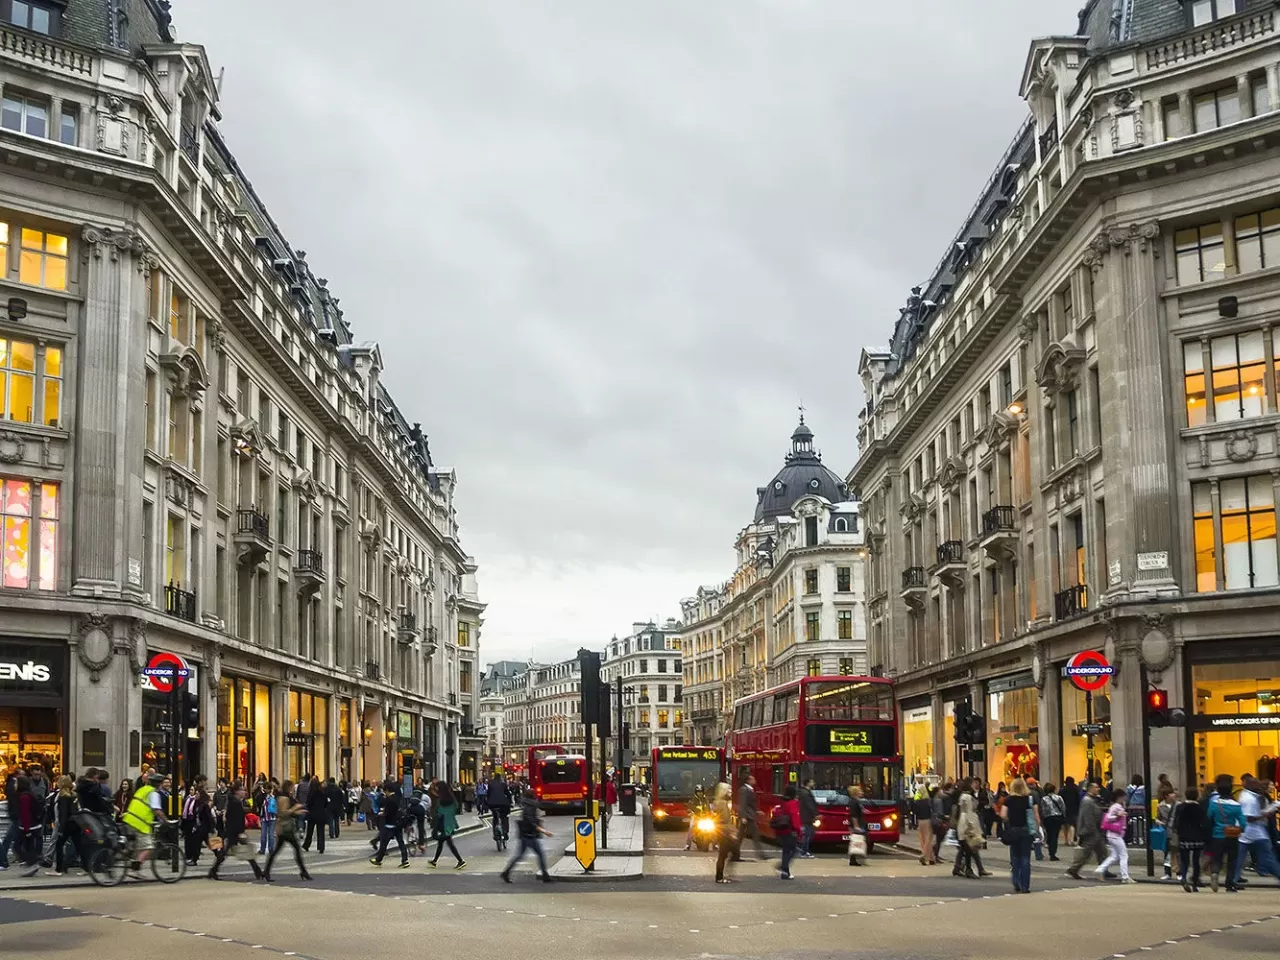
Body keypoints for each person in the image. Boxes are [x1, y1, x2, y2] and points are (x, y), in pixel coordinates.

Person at [208, 781, 263, 880]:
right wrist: (241, 831)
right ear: (237, 791)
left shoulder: (234, 801)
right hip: (234, 832)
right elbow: (236, 819)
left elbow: (230, 816)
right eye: (242, 790)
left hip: (233, 831)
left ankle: (258, 871)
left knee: (240, 851)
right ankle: (213, 870)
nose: (244, 792)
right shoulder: (235, 802)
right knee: (232, 852)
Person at [500, 787, 553, 883]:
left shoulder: (529, 805)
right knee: (539, 854)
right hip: (529, 835)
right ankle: (545, 876)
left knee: (520, 856)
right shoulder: (529, 807)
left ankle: (506, 872)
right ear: (532, 795)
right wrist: (543, 831)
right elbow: (530, 821)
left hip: (526, 834)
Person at [263, 780, 312, 882]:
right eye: (292, 787)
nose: (293, 789)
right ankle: (303, 871)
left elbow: (286, 813)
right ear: (289, 787)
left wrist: (298, 812)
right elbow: (283, 813)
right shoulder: (284, 798)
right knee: (296, 849)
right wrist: (295, 808)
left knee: (277, 851)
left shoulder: (282, 797)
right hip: (286, 828)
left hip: (283, 827)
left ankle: (266, 871)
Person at [1237, 775, 1280, 887]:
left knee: (1240, 857)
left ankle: (1234, 878)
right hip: (1253, 830)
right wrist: (1265, 813)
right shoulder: (1249, 799)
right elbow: (1249, 817)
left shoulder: (1250, 796)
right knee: (1268, 855)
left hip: (1248, 832)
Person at [121, 772, 166, 870]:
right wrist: (166, 820)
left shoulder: (142, 789)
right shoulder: (153, 793)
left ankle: (129, 858)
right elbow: (156, 810)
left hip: (129, 819)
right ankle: (136, 866)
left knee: (136, 845)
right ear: (160, 784)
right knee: (149, 847)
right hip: (140, 823)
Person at [1066, 780, 1109, 879]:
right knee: (1086, 853)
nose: (1098, 789)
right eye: (1096, 787)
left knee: (1102, 851)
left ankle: (1104, 869)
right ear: (1091, 789)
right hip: (1091, 831)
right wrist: (1091, 830)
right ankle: (1073, 869)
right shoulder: (1087, 801)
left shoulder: (1093, 800)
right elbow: (1087, 817)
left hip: (1095, 831)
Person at [1000, 777, 1034, 893]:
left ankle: (1016, 882)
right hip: (1026, 830)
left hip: (1014, 830)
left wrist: (1009, 822)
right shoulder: (1029, 799)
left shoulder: (1008, 800)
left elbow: (1003, 815)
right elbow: (1035, 815)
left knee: (1015, 857)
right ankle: (1025, 886)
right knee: (1025, 858)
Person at [1096, 788, 1134, 883]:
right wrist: (1118, 816)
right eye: (1123, 797)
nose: (1124, 798)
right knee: (1124, 855)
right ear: (1119, 797)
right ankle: (1125, 877)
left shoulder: (1116, 806)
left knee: (1114, 856)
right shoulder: (1116, 807)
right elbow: (1108, 818)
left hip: (1113, 834)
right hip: (1115, 835)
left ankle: (1100, 869)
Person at [953, 781, 989, 879]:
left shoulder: (962, 796)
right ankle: (968, 869)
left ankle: (960, 868)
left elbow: (959, 810)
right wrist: (973, 828)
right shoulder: (968, 797)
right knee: (969, 849)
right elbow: (969, 811)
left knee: (965, 849)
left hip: (962, 822)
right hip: (967, 824)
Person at [427, 781, 467, 869]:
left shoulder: (440, 800)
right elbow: (456, 807)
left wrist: (434, 823)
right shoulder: (451, 797)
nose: (436, 789)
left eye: (437, 788)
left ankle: (460, 861)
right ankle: (434, 861)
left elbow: (438, 814)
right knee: (442, 843)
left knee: (449, 844)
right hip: (450, 823)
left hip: (443, 825)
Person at [1174, 786, 1207, 892]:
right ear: (1197, 796)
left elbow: (1176, 822)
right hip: (1197, 836)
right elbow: (1204, 822)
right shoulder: (1200, 808)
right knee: (1196, 861)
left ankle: (1183, 877)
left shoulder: (1180, 807)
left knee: (1185, 860)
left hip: (1184, 835)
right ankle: (1195, 884)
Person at [11, 775, 41, 877]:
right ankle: (31, 863)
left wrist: (26, 829)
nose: (14, 785)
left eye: (16, 783)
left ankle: (32, 862)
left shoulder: (24, 797)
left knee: (17, 845)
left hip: (28, 826)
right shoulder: (28, 794)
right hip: (31, 826)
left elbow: (25, 814)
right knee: (28, 846)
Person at [733, 775, 767, 862]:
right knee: (754, 835)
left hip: (749, 815)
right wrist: (743, 817)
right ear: (748, 780)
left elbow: (750, 804)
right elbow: (743, 804)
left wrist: (757, 811)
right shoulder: (744, 790)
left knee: (740, 837)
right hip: (747, 817)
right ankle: (761, 855)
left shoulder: (749, 789)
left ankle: (735, 855)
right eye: (753, 779)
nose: (755, 780)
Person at [772, 785, 802, 880]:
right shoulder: (793, 803)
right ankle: (783, 866)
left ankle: (785, 873)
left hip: (781, 829)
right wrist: (798, 830)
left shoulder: (782, 801)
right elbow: (794, 818)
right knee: (793, 850)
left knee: (786, 851)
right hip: (790, 830)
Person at [712, 782, 737, 884]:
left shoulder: (718, 802)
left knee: (724, 854)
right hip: (724, 831)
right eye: (728, 790)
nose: (730, 792)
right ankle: (720, 877)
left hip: (721, 831)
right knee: (724, 854)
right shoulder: (722, 803)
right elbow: (725, 820)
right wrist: (731, 832)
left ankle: (722, 875)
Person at [1039, 782, 1066, 861]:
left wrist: (1043, 819)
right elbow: (1063, 807)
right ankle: (1053, 853)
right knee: (1055, 835)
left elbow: (1043, 810)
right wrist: (1063, 816)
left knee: (1050, 834)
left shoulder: (1044, 799)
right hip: (1057, 817)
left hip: (1048, 818)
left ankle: (1051, 851)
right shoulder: (1059, 798)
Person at [302, 775, 328, 854]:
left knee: (310, 831)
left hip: (312, 814)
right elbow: (326, 803)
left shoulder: (311, 793)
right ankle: (321, 847)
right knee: (320, 831)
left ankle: (306, 845)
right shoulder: (323, 792)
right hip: (321, 813)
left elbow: (308, 803)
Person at [487, 773, 512, 845]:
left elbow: (488, 794)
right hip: (503, 803)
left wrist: (488, 803)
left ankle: (495, 834)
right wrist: (510, 802)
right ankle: (505, 832)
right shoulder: (503, 784)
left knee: (495, 818)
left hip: (492, 804)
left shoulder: (490, 783)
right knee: (504, 817)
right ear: (500, 777)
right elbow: (508, 793)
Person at [912, 786, 935, 865]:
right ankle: (924, 856)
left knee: (922, 839)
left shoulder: (917, 802)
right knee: (928, 840)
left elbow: (914, 812)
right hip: (927, 820)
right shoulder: (929, 801)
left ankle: (932, 858)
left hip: (920, 821)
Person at [684, 784, 709, 851]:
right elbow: (690, 806)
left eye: (701, 791)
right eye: (698, 792)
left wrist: (711, 813)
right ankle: (687, 845)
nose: (700, 793)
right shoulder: (693, 799)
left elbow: (708, 807)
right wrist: (692, 811)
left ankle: (715, 844)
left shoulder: (705, 799)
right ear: (696, 792)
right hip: (696, 817)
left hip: (705, 817)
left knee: (714, 828)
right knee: (691, 828)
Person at [797, 779, 818, 859]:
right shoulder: (806, 793)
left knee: (808, 834)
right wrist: (816, 814)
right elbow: (810, 805)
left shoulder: (804, 792)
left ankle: (803, 850)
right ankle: (804, 852)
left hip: (806, 816)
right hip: (807, 817)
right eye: (812, 782)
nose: (813, 783)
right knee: (807, 835)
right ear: (808, 783)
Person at [846, 784, 866, 866]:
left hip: (858, 823)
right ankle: (853, 860)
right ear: (855, 793)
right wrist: (856, 826)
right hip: (856, 824)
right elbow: (854, 815)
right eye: (859, 791)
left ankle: (854, 859)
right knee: (856, 841)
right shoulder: (854, 802)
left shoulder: (856, 801)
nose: (861, 792)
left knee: (857, 841)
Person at [1060, 777, 1081, 846]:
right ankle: (1072, 840)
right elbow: (1078, 799)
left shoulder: (1062, 789)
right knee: (1072, 824)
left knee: (1064, 825)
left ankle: (1066, 840)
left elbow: (1060, 799)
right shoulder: (1076, 789)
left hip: (1064, 809)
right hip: (1073, 808)